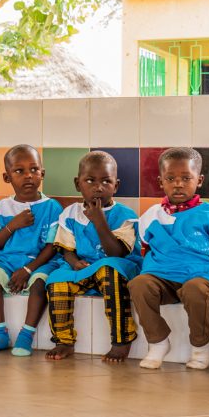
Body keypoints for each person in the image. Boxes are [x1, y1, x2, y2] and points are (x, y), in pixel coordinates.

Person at [130, 147, 209, 371]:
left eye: (186, 178)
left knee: (195, 289)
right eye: (171, 178)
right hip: (163, 277)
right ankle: (157, 343)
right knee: (138, 284)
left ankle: (200, 347)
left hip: (200, 276)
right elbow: (146, 250)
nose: (178, 184)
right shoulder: (151, 216)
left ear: (199, 180)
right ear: (161, 182)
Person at [44, 151, 140, 363]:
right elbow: (65, 247)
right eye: (90, 181)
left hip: (118, 267)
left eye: (106, 181)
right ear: (78, 184)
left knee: (109, 268)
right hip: (84, 268)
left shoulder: (125, 215)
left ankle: (121, 340)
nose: (98, 187)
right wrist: (74, 262)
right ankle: (63, 340)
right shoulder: (70, 213)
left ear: (116, 185)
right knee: (57, 279)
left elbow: (117, 252)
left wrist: (99, 220)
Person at [0, 144, 62, 357]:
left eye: (34, 170)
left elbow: (52, 247)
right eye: (19, 171)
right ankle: (0, 334)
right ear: (7, 178)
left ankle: (26, 335)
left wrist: (27, 269)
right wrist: (12, 225)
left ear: (42, 174)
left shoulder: (52, 207)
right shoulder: (1, 208)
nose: (28, 176)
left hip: (40, 261)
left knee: (41, 284)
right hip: (6, 260)